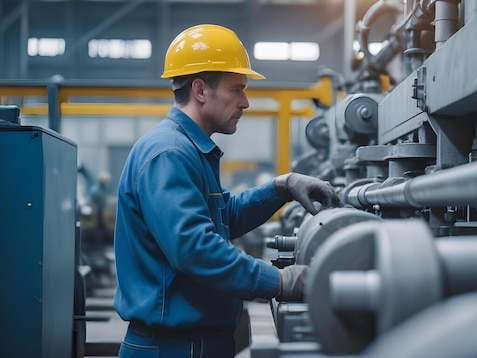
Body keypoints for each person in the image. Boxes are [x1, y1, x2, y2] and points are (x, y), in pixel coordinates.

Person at [113, 24, 341, 357]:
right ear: (201, 90)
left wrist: (282, 187)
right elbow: (195, 249)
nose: (245, 102)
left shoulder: (187, 149)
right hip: (174, 347)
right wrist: (280, 281)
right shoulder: (170, 154)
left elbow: (222, 216)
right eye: (237, 89)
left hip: (192, 343)